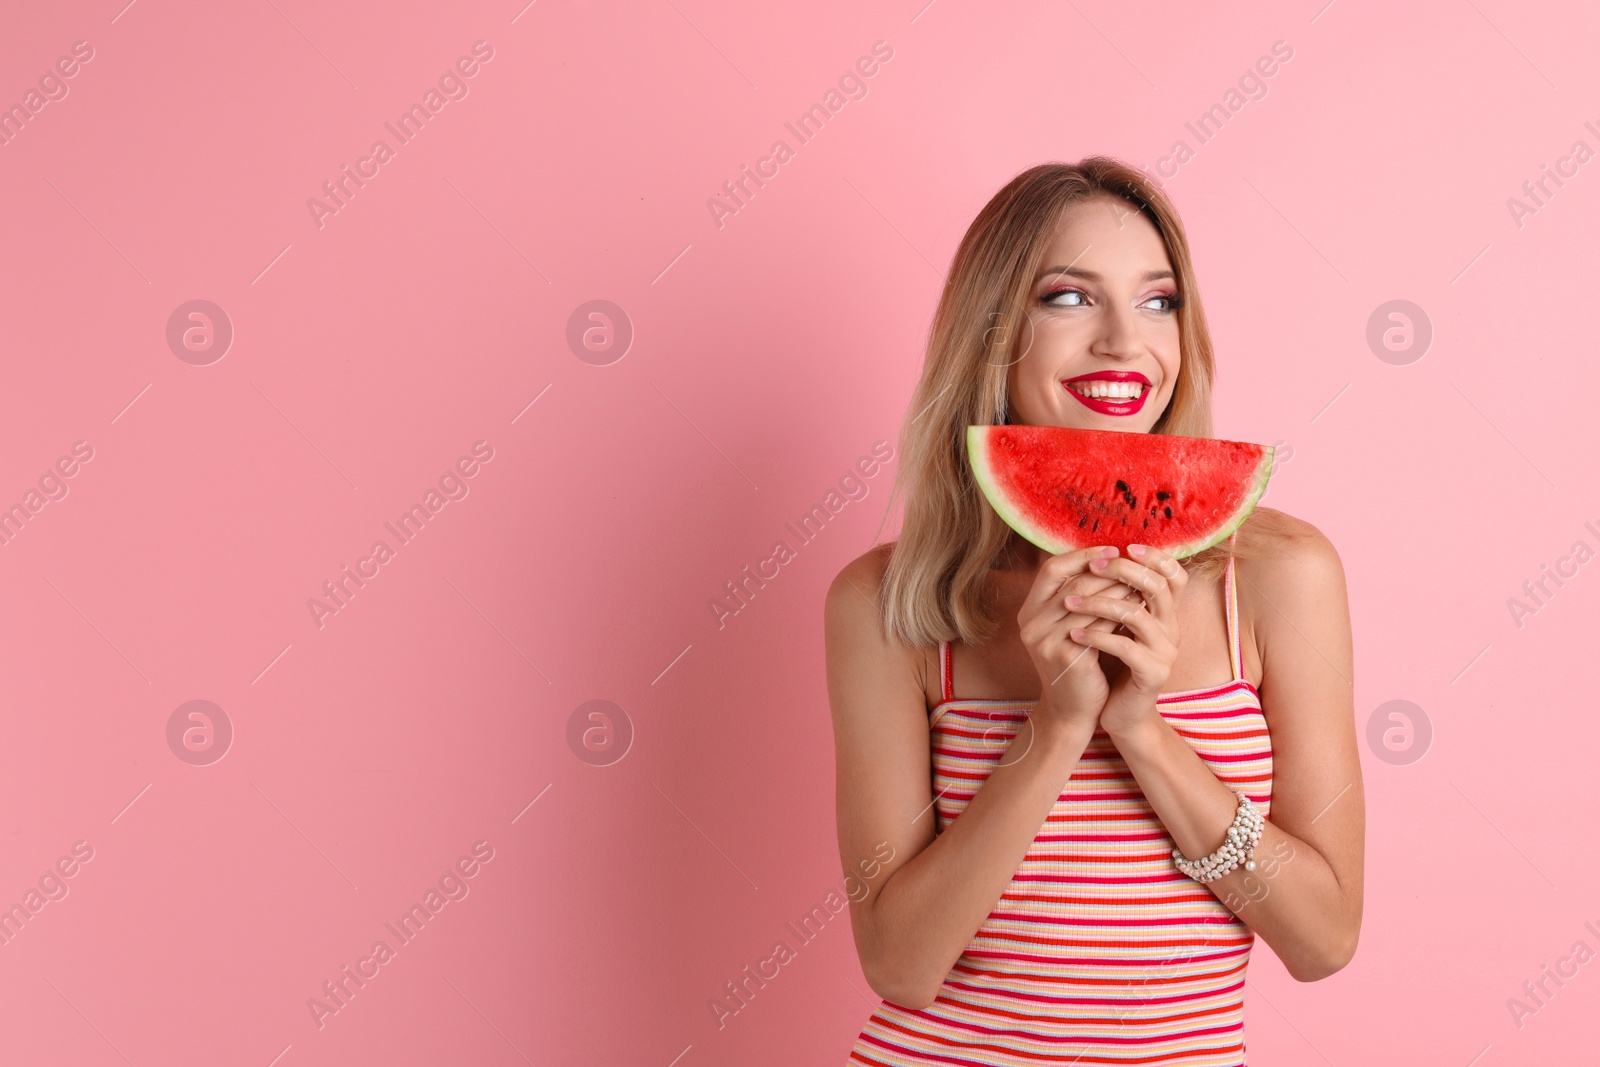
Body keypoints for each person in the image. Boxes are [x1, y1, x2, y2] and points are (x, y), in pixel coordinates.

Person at [827, 158, 1364, 1066]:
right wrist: (1060, 722)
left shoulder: (1277, 578)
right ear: (993, 331)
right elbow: (900, 964)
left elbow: (1324, 938)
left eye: (1159, 302)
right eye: (1069, 299)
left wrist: (1143, 730)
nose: (1125, 342)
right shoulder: (893, 602)